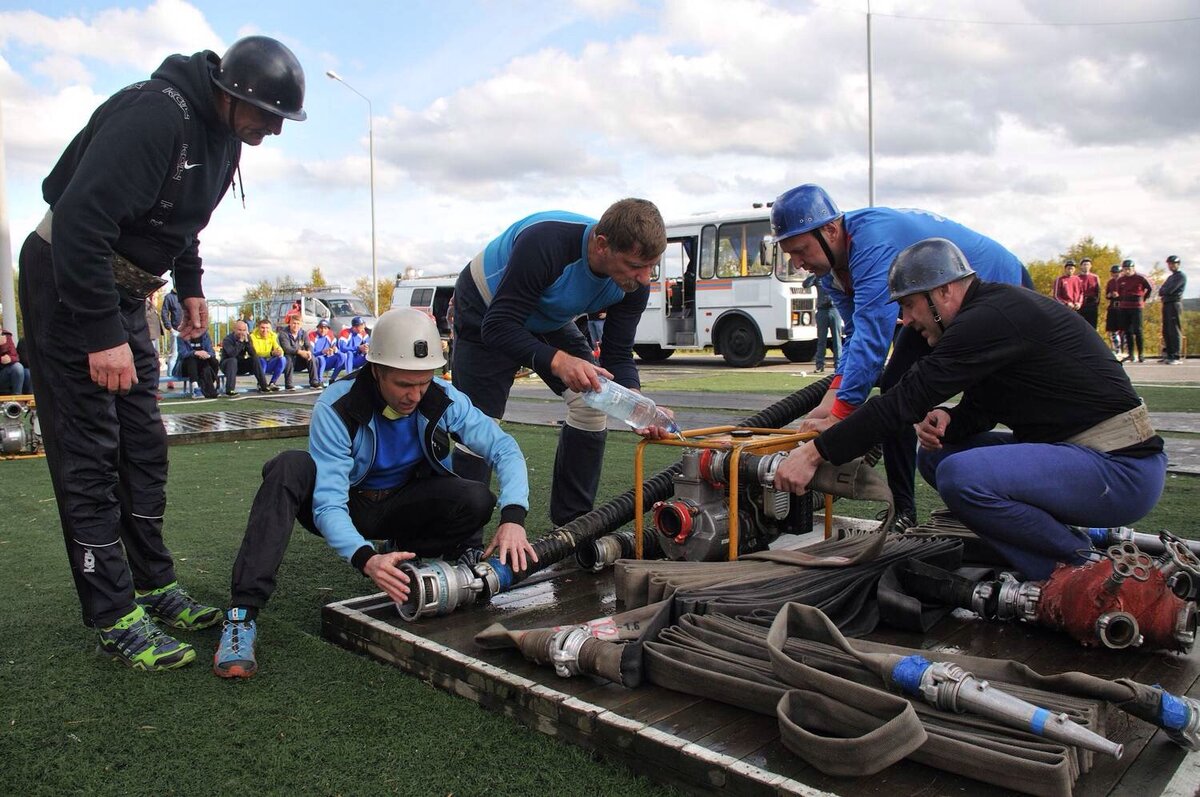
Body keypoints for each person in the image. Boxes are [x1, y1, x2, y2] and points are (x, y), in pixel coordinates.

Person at [15, 35, 307, 669]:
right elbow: (81, 221)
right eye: (268, 116)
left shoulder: (225, 136)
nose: (274, 131)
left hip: (127, 289)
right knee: (90, 449)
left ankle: (151, 584)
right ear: (231, 94)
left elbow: (184, 222)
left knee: (143, 443)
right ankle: (113, 614)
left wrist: (191, 286)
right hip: (69, 278)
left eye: (282, 120)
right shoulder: (155, 115)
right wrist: (102, 335)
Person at [774, 238, 1166, 580]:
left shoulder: (989, 318)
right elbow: (988, 405)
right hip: (1090, 457)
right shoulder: (990, 312)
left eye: (909, 305)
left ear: (943, 292)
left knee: (961, 476)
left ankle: (1084, 570)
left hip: (1121, 469)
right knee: (937, 457)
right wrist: (953, 419)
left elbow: (904, 399)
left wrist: (814, 454)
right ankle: (1055, 551)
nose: (906, 321)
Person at [213, 309, 534, 678]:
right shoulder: (338, 405)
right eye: (403, 384)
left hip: (403, 503)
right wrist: (365, 558)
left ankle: (410, 553)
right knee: (287, 466)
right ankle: (241, 614)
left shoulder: (442, 397)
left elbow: (503, 448)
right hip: (350, 505)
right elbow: (329, 504)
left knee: (477, 499)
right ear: (377, 370)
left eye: (423, 382)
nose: (415, 395)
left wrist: (514, 517)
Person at [769, 184, 1026, 530]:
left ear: (830, 230)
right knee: (894, 385)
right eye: (790, 255)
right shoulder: (830, 269)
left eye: (801, 250)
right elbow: (854, 335)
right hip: (936, 306)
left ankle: (1038, 488)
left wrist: (840, 417)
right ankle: (904, 511)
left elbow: (873, 335)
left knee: (1006, 395)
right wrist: (831, 402)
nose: (797, 263)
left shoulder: (871, 242)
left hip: (996, 286)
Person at [450, 198, 673, 526]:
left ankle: (573, 527)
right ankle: (461, 543)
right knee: (479, 425)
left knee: (593, 403)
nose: (643, 278)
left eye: (651, 266)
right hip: (486, 305)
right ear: (601, 245)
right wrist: (558, 361)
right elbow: (498, 326)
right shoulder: (545, 242)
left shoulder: (636, 283)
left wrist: (636, 405)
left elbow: (618, 354)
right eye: (635, 265)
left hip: (548, 316)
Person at [1115, 259, 1153, 363]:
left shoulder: (1140, 278)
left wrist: (1144, 298)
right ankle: (1131, 354)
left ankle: (1141, 354)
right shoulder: (1120, 280)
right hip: (1124, 306)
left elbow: (1150, 288)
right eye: (1125, 269)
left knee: (1138, 330)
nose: (1127, 271)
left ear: (1133, 268)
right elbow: (1119, 292)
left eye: (1129, 269)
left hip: (1136, 306)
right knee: (1127, 331)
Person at [803, 273, 841, 372]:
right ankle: (820, 365)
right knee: (821, 340)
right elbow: (805, 285)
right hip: (822, 310)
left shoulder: (835, 275)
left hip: (834, 309)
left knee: (837, 339)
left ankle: (838, 365)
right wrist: (815, 274)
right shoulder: (818, 276)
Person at [221, 320, 271, 395]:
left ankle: (264, 386)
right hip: (227, 365)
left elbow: (253, 354)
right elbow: (232, 354)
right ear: (234, 330)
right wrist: (240, 342)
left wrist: (247, 343)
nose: (242, 332)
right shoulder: (227, 340)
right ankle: (230, 390)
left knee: (255, 359)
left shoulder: (247, 338)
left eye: (244, 330)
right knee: (233, 360)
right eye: (239, 330)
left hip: (240, 365)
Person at [178, 327, 220, 398]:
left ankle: (208, 387)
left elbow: (211, 352)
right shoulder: (182, 335)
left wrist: (206, 354)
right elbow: (183, 353)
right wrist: (196, 353)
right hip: (186, 366)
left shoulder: (205, 335)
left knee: (214, 361)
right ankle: (196, 389)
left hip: (201, 363)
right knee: (191, 359)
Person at [1159, 255, 1186, 365]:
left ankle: (1176, 355)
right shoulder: (1170, 277)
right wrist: (1164, 291)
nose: (1171, 266)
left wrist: (1165, 291)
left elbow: (1170, 290)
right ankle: (1169, 354)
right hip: (1166, 304)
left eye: (1173, 264)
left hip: (1174, 304)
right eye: (1169, 264)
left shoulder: (1181, 276)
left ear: (1178, 264)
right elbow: (1161, 290)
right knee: (1166, 330)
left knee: (1174, 329)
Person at [278, 314, 318, 388]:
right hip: (288, 362)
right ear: (290, 323)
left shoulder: (303, 333)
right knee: (289, 357)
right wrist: (299, 352)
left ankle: (314, 382)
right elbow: (287, 349)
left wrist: (309, 351)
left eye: (298, 323)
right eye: (294, 323)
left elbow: (308, 345)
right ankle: (289, 384)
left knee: (311, 357)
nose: (295, 326)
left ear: (301, 324)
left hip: (300, 361)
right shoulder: (283, 333)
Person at [249, 318, 285, 390]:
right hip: (257, 365)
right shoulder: (252, 337)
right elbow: (256, 353)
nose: (265, 330)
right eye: (262, 328)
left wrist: (279, 352)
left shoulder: (273, 335)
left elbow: (278, 348)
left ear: (270, 328)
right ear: (258, 328)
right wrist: (271, 353)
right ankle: (261, 383)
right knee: (261, 360)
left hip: (269, 362)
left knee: (283, 359)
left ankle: (272, 383)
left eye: (267, 328)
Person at [309, 319, 345, 386]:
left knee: (342, 356)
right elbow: (311, 352)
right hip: (316, 360)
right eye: (321, 328)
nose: (323, 330)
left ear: (328, 329)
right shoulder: (312, 335)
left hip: (327, 360)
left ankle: (332, 379)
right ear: (317, 328)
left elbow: (335, 349)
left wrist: (334, 350)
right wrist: (322, 352)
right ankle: (319, 381)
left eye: (325, 328)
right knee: (321, 358)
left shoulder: (330, 335)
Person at [160, 286, 183, 387]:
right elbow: (164, 313)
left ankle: (193, 379)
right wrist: (170, 328)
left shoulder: (185, 295)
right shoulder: (169, 297)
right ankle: (170, 378)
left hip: (188, 330)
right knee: (174, 354)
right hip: (176, 330)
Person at [1104, 263, 1124, 357]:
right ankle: (1116, 349)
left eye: (1117, 272)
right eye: (1113, 273)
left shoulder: (1124, 281)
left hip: (1122, 307)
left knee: (1123, 329)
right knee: (1112, 329)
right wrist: (1110, 295)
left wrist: (1119, 295)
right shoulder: (1110, 282)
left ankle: (1124, 349)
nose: (1116, 274)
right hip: (1112, 306)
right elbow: (1107, 295)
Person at [1077, 257, 1101, 328]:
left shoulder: (1095, 277)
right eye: (1084, 264)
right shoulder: (1077, 277)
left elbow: (1098, 291)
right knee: (1081, 325)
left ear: (1090, 266)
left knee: (1092, 325)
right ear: (1081, 266)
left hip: (1092, 304)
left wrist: (1096, 303)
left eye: (1088, 264)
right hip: (1081, 304)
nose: (1086, 266)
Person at [0, 327, 24, 395]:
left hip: (5, 372)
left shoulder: (6, 336)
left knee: (20, 369)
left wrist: (10, 359)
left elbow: (16, 357)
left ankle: (17, 398)